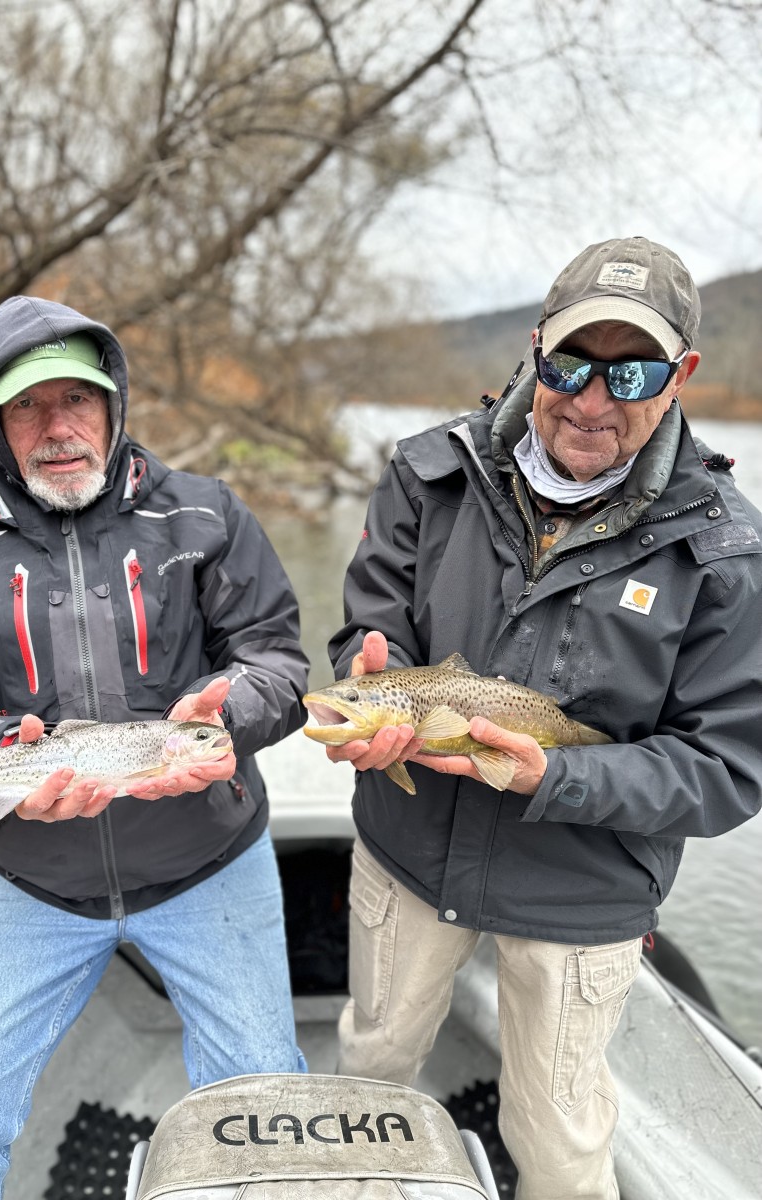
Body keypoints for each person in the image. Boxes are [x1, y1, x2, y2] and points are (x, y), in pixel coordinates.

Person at [318, 236, 762, 1199]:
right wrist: (364, 667)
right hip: (408, 852)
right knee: (369, 1064)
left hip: (582, 890)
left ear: (681, 375)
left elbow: (727, 771)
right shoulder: (426, 473)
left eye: (632, 371)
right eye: (572, 364)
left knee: (558, 1141)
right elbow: (369, 626)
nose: (593, 400)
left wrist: (554, 776)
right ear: (535, 349)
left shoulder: (726, 551)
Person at [0, 296, 310, 1199]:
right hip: (38, 883)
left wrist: (232, 715)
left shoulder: (205, 516)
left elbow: (279, 662)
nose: (57, 427)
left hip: (209, 865)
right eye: (29, 406)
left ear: (115, 407)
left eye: (78, 399)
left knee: (268, 1131)